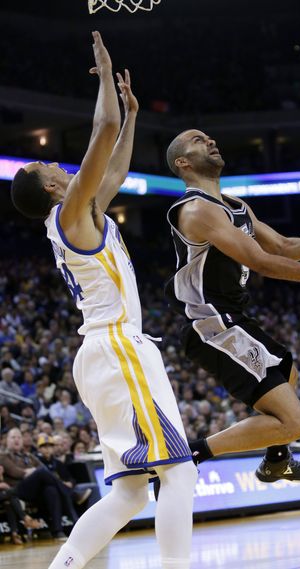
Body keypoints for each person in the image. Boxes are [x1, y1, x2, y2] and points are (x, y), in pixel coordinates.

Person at [11, 32, 197, 569]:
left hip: (105, 353)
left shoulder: (83, 213)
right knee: (178, 472)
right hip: (117, 349)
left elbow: (113, 167)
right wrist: (107, 72)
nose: (60, 168)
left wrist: (133, 114)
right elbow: (104, 128)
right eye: (50, 170)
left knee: (134, 492)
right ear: (50, 189)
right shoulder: (69, 214)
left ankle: (60, 567)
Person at [165, 129, 300, 483]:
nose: (211, 141)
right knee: (295, 422)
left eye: (209, 137)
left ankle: (277, 460)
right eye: (198, 140)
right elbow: (261, 261)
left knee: (288, 371)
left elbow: (281, 245)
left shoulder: (235, 205)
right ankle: (188, 454)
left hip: (232, 318)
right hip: (211, 323)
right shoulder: (197, 209)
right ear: (183, 163)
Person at [0, 427, 78, 539]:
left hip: (34, 491)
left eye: (19, 437)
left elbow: (44, 468)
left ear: (22, 440)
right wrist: (33, 471)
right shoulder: (3, 455)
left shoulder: (28, 455)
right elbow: (16, 472)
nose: (16, 440)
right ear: (6, 440)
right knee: (41, 473)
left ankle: (58, 531)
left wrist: (32, 471)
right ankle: (70, 494)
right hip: (17, 490)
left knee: (51, 490)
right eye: (13, 437)